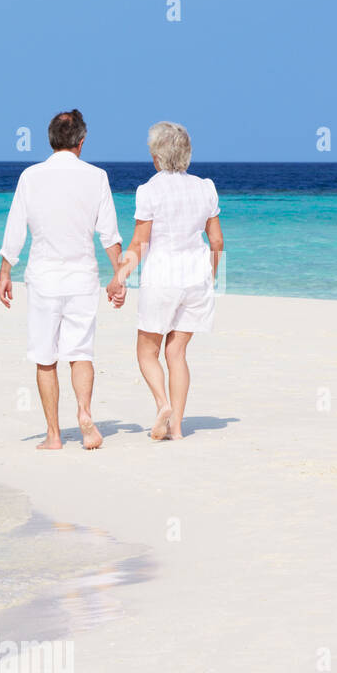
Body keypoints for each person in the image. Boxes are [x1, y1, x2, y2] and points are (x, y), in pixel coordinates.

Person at [0, 109, 123, 450]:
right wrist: (119, 275)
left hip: (44, 279)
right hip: (83, 278)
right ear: (81, 142)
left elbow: (15, 226)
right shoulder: (97, 177)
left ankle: (53, 435)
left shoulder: (31, 176)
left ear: (51, 140)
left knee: (45, 357)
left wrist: (6, 269)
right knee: (81, 353)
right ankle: (84, 413)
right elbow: (109, 234)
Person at [107, 121, 224, 440]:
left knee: (147, 352)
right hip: (196, 279)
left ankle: (162, 404)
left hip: (162, 279)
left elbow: (138, 244)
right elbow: (216, 242)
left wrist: (119, 277)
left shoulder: (149, 191)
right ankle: (177, 429)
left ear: (157, 155)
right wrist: (211, 276)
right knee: (177, 353)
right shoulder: (205, 187)